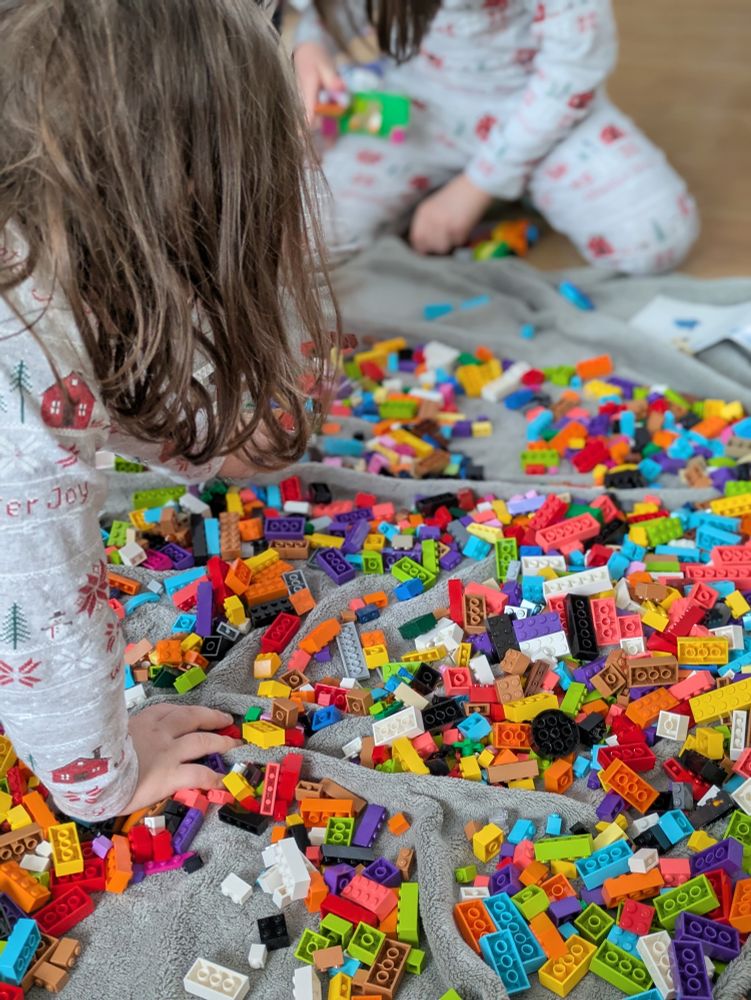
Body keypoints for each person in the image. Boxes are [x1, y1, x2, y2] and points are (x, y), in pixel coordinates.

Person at [0, 0, 334, 820]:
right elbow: (32, 608)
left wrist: (204, 444)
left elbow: (96, 344)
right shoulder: (20, 421)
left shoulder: (43, 229)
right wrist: (103, 779)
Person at [294, 0, 699, 273]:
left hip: (541, 111)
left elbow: (573, 68)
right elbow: (332, 10)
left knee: (653, 239)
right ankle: (439, 191)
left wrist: (478, 186)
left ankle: (506, 184)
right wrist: (313, 41)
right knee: (303, 240)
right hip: (418, 109)